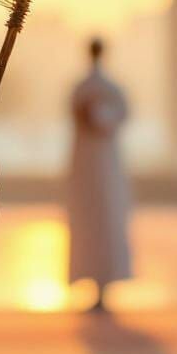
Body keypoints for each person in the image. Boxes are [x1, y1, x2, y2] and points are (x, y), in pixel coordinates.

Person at [66, 37, 132, 312]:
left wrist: (99, 119)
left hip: (100, 164)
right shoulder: (100, 88)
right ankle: (96, 285)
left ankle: (103, 286)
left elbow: (117, 118)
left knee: (103, 218)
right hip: (94, 164)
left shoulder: (90, 88)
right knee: (93, 220)